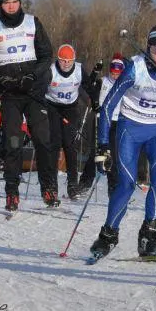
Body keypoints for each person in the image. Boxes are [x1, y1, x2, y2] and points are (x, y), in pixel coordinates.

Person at [89, 21, 156, 259]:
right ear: (147, 48)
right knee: (126, 185)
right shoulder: (134, 68)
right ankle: (108, 235)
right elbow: (108, 107)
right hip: (131, 129)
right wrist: (103, 146)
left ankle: (148, 236)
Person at [0, 0, 58, 211]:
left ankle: (49, 188)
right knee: (13, 144)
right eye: (6, 2)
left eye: (14, 1)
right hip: (11, 94)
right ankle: (12, 191)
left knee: (43, 141)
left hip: (33, 92)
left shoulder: (33, 23)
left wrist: (33, 76)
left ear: (20, 3)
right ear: (1, 5)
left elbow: (46, 54)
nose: (11, 6)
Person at [45, 44, 102, 199]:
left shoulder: (78, 69)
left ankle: (72, 185)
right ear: (58, 59)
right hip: (53, 107)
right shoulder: (51, 70)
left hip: (70, 108)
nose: (66, 64)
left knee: (71, 146)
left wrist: (95, 101)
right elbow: (40, 90)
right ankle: (52, 185)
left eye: (69, 61)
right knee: (55, 144)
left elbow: (88, 87)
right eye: (63, 61)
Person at [78, 52, 124, 192]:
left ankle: (113, 187)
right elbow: (88, 86)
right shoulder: (102, 81)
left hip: (117, 121)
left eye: (118, 73)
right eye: (113, 72)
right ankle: (85, 183)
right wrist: (95, 72)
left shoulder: (124, 84)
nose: (115, 76)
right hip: (102, 120)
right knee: (96, 152)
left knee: (114, 155)